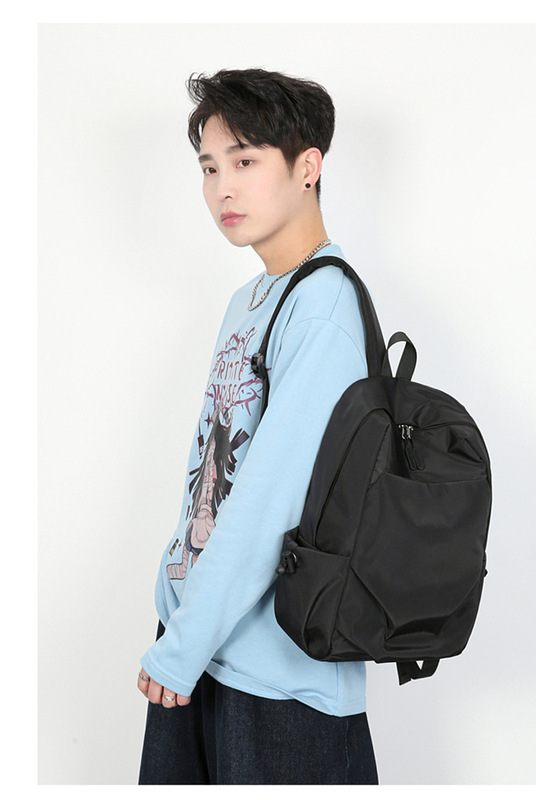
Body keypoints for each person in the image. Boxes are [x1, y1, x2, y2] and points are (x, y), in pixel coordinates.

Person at [136, 67, 380, 785]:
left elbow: (270, 503)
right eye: (209, 167)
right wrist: (181, 626)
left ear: (307, 168)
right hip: (203, 640)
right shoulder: (250, 298)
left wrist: (183, 648)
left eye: (244, 162)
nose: (222, 189)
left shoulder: (323, 306)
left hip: (277, 675)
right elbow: (211, 472)